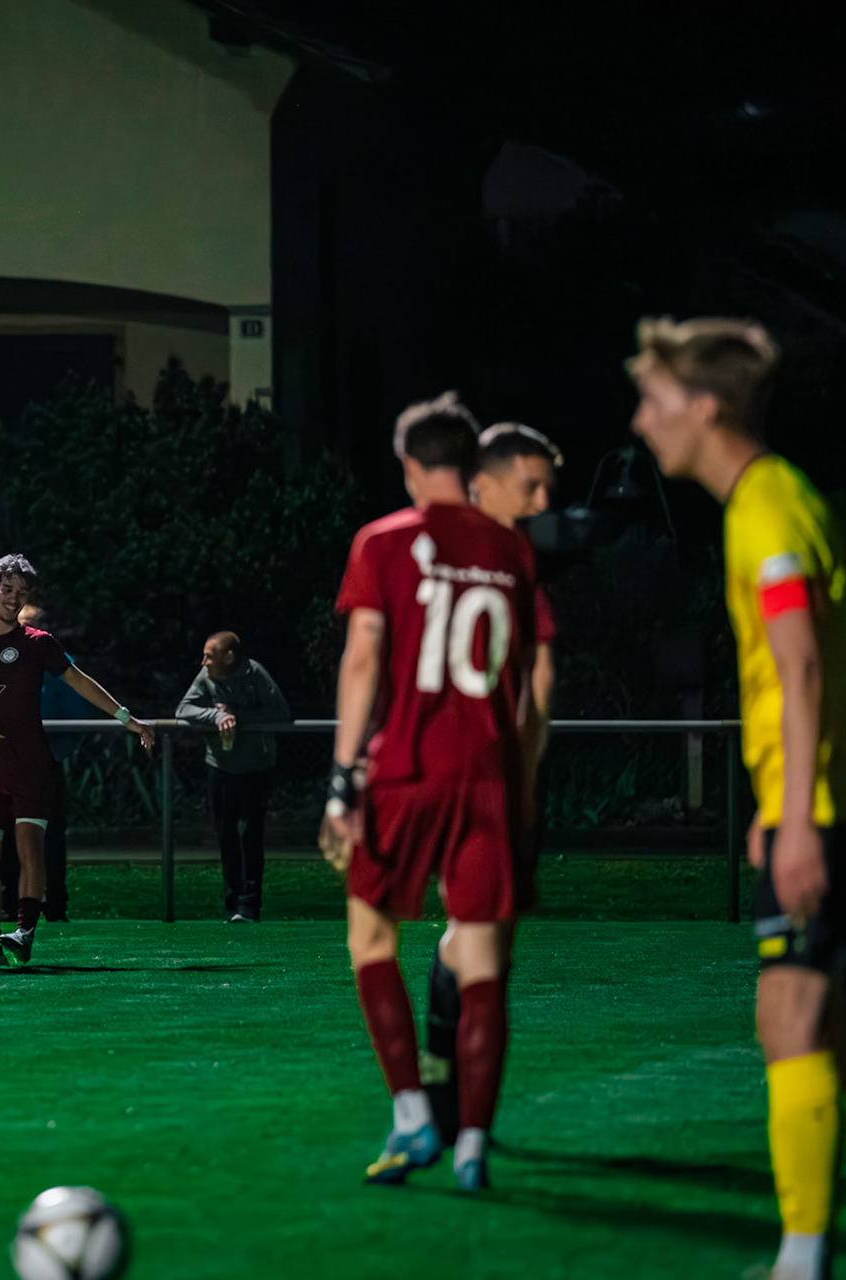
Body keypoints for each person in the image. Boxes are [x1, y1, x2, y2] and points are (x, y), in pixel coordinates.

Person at [629, 317, 846, 1280]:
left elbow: (799, 665)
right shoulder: (777, 498)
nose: (640, 422)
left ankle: (801, 1261)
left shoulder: (763, 507)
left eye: (654, 400)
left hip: (827, 815)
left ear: (706, 407)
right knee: (833, 1027)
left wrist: (796, 814)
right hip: (828, 803)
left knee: (791, 1017)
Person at [320, 392, 539, 1191]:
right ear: (472, 463)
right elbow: (523, 684)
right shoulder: (512, 550)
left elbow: (364, 657)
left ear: (410, 465)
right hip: (486, 775)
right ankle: (473, 1143)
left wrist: (343, 778)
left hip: (407, 771)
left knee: (372, 941)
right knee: (481, 964)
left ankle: (413, 1116)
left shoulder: (383, 541)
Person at [421, 421, 563, 1142]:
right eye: (530, 486)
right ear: (486, 482)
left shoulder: (507, 557)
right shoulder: (466, 556)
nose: (542, 502)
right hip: (468, 780)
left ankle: (460, 1108)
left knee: (492, 949)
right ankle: (446, 1102)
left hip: (493, 780)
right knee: (478, 944)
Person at [0, 554, 155, 969]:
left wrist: (126, 718)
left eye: (21, 592)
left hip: (29, 758)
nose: (14, 598)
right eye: (7, 589)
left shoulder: (38, 643)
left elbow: (79, 680)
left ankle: (25, 931)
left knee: (30, 846)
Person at [176, 631, 292, 923]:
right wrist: (216, 716)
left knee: (250, 833)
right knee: (225, 834)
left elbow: (281, 712)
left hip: (256, 766)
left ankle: (249, 905)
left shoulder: (255, 674)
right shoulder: (206, 677)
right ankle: (233, 904)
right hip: (219, 765)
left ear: (229, 657)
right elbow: (183, 709)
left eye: (209, 656)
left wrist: (237, 715)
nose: (203, 662)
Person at [0, 602, 95, 923]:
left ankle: (55, 905)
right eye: (18, 623)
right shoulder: (0, 657)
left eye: (28, 623)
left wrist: (51, 750)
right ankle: (10, 904)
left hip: (46, 762)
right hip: (7, 762)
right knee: (8, 835)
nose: (21, 629)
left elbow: (77, 712)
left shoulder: (58, 663)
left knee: (51, 834)